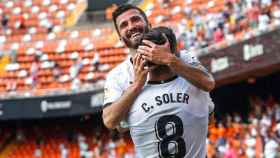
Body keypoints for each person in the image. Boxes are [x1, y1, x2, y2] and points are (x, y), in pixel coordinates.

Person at [102, 4, 215, 157]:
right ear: (120, 37)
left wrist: (170, 60)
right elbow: (110, 121)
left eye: (135, 20)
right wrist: (136, 85)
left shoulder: (183, 57)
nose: (131, 26)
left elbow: (208, 85)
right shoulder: (117, 76)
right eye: (124, 25)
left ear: (148, 25)